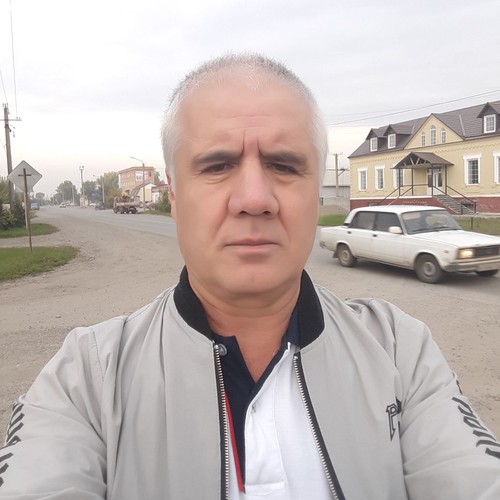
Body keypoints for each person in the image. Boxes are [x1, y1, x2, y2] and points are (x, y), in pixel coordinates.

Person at [1, 54, 499, 500]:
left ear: (315, 193)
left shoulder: (398, 351)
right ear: (174, 195)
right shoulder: (88, 377)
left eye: (284, 165)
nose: (255, 198)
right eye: (218, 165)